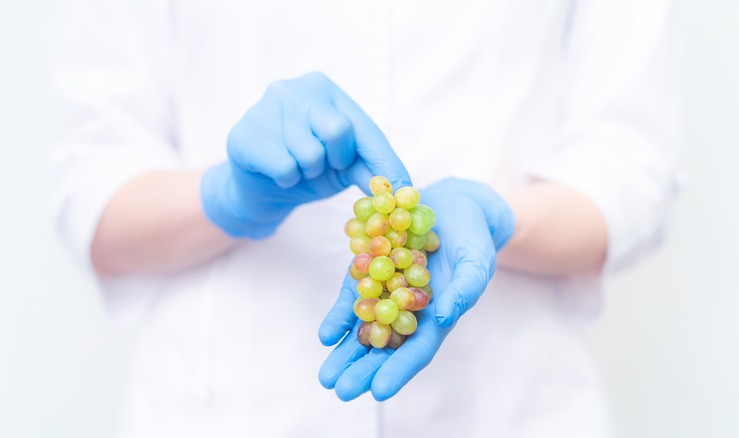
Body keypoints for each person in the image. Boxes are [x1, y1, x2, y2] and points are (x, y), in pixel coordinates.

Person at [51, 0, 680, 436]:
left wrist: (502, 220)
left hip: (506, 408)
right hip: (222, 410)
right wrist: (228, 196)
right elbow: (93, 194)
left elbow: (627, 168)